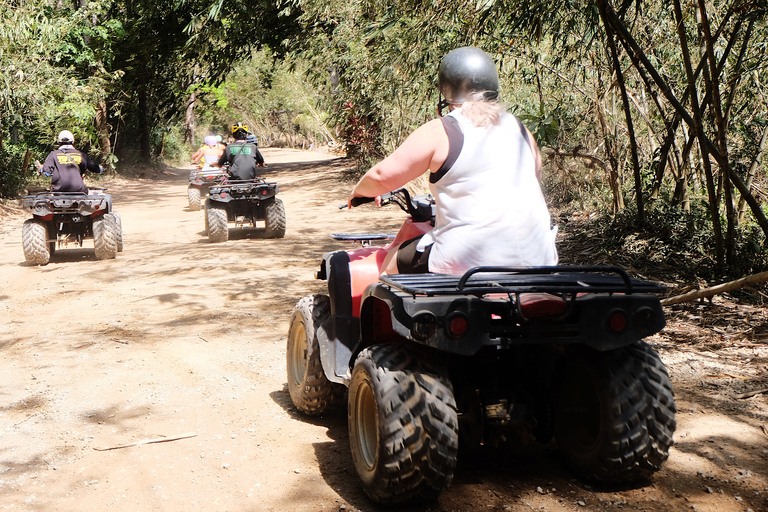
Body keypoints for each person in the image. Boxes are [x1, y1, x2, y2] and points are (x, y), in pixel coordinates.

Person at [348, 46, 558, 276]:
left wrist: (360, 192)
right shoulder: (520, 130)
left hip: (470, 259)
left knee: (391, 263)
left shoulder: (445, 130)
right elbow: (533, 178)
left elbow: (381, 177)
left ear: (447, 92)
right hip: (540, 258)